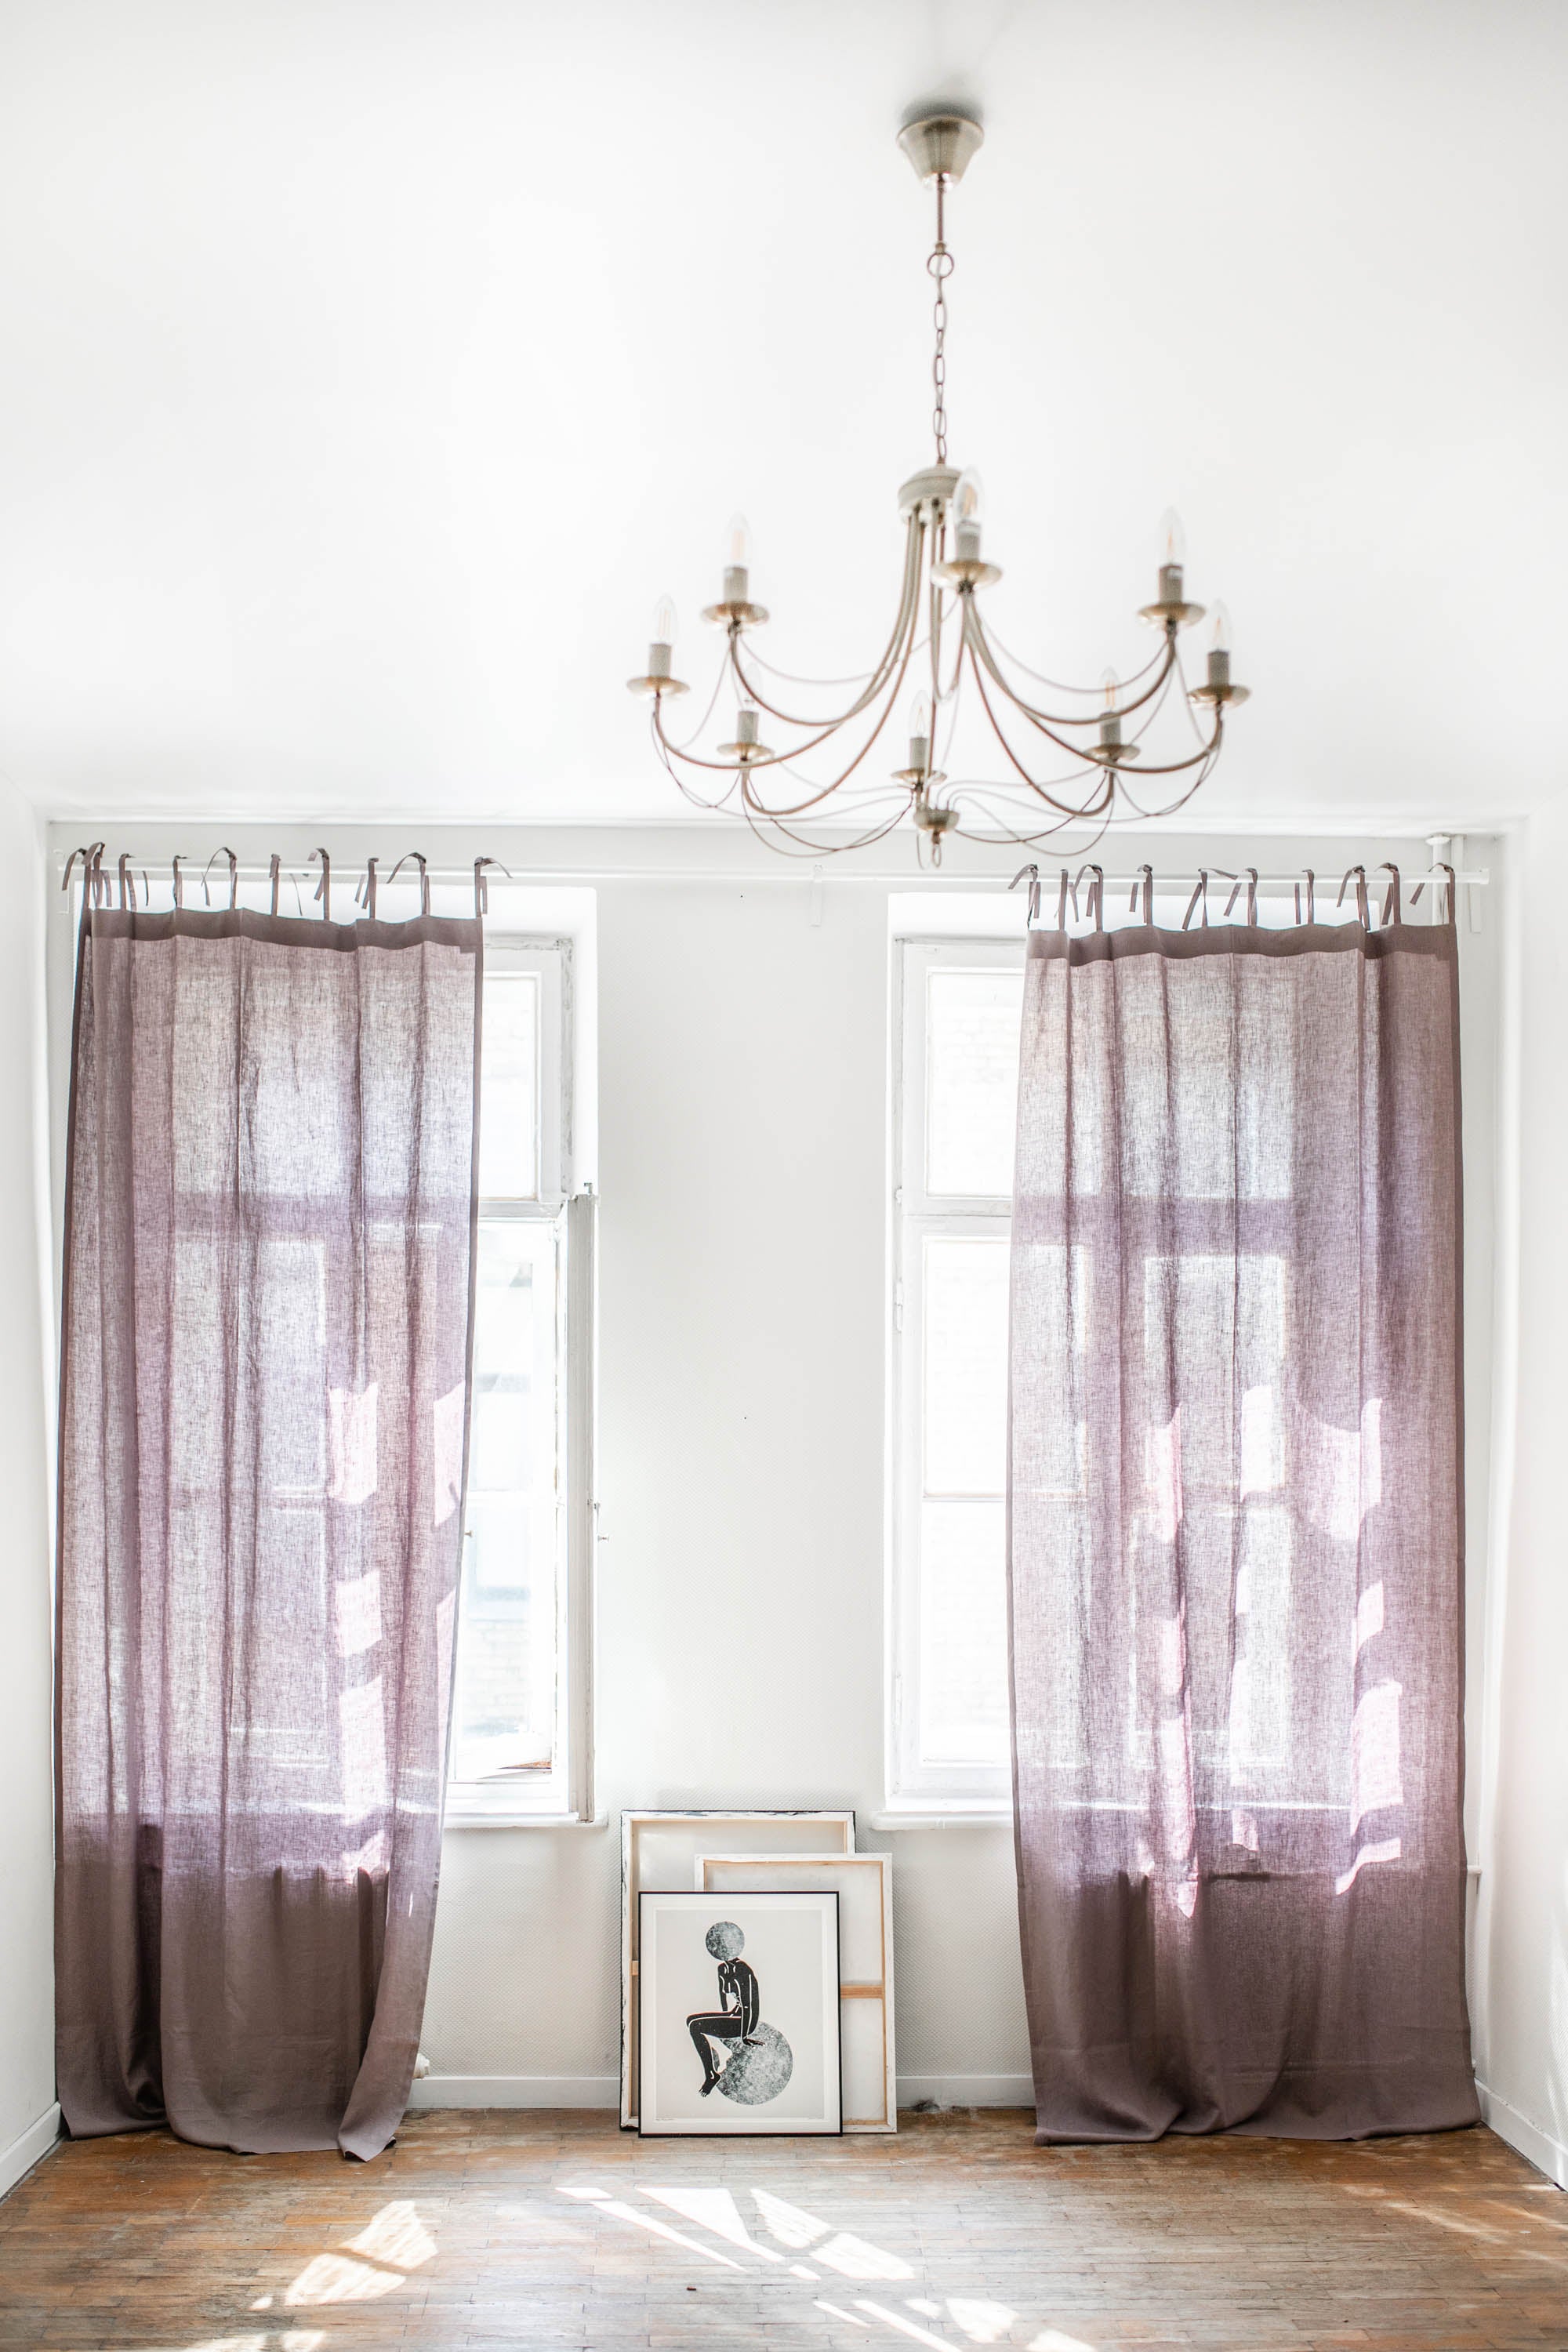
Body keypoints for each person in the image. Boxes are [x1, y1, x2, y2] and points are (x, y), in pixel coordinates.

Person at [687, 1922, 763, 2096]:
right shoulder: (722, 1969)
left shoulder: (744, 1970)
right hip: (734, 2014)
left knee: (695, 2026)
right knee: (690, 2020)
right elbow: (724, 1998)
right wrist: (724, 2016)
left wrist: (744, 2036)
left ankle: (711, 2075)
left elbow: (748, 2004)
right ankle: (715, 2051)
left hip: (746, 2020)